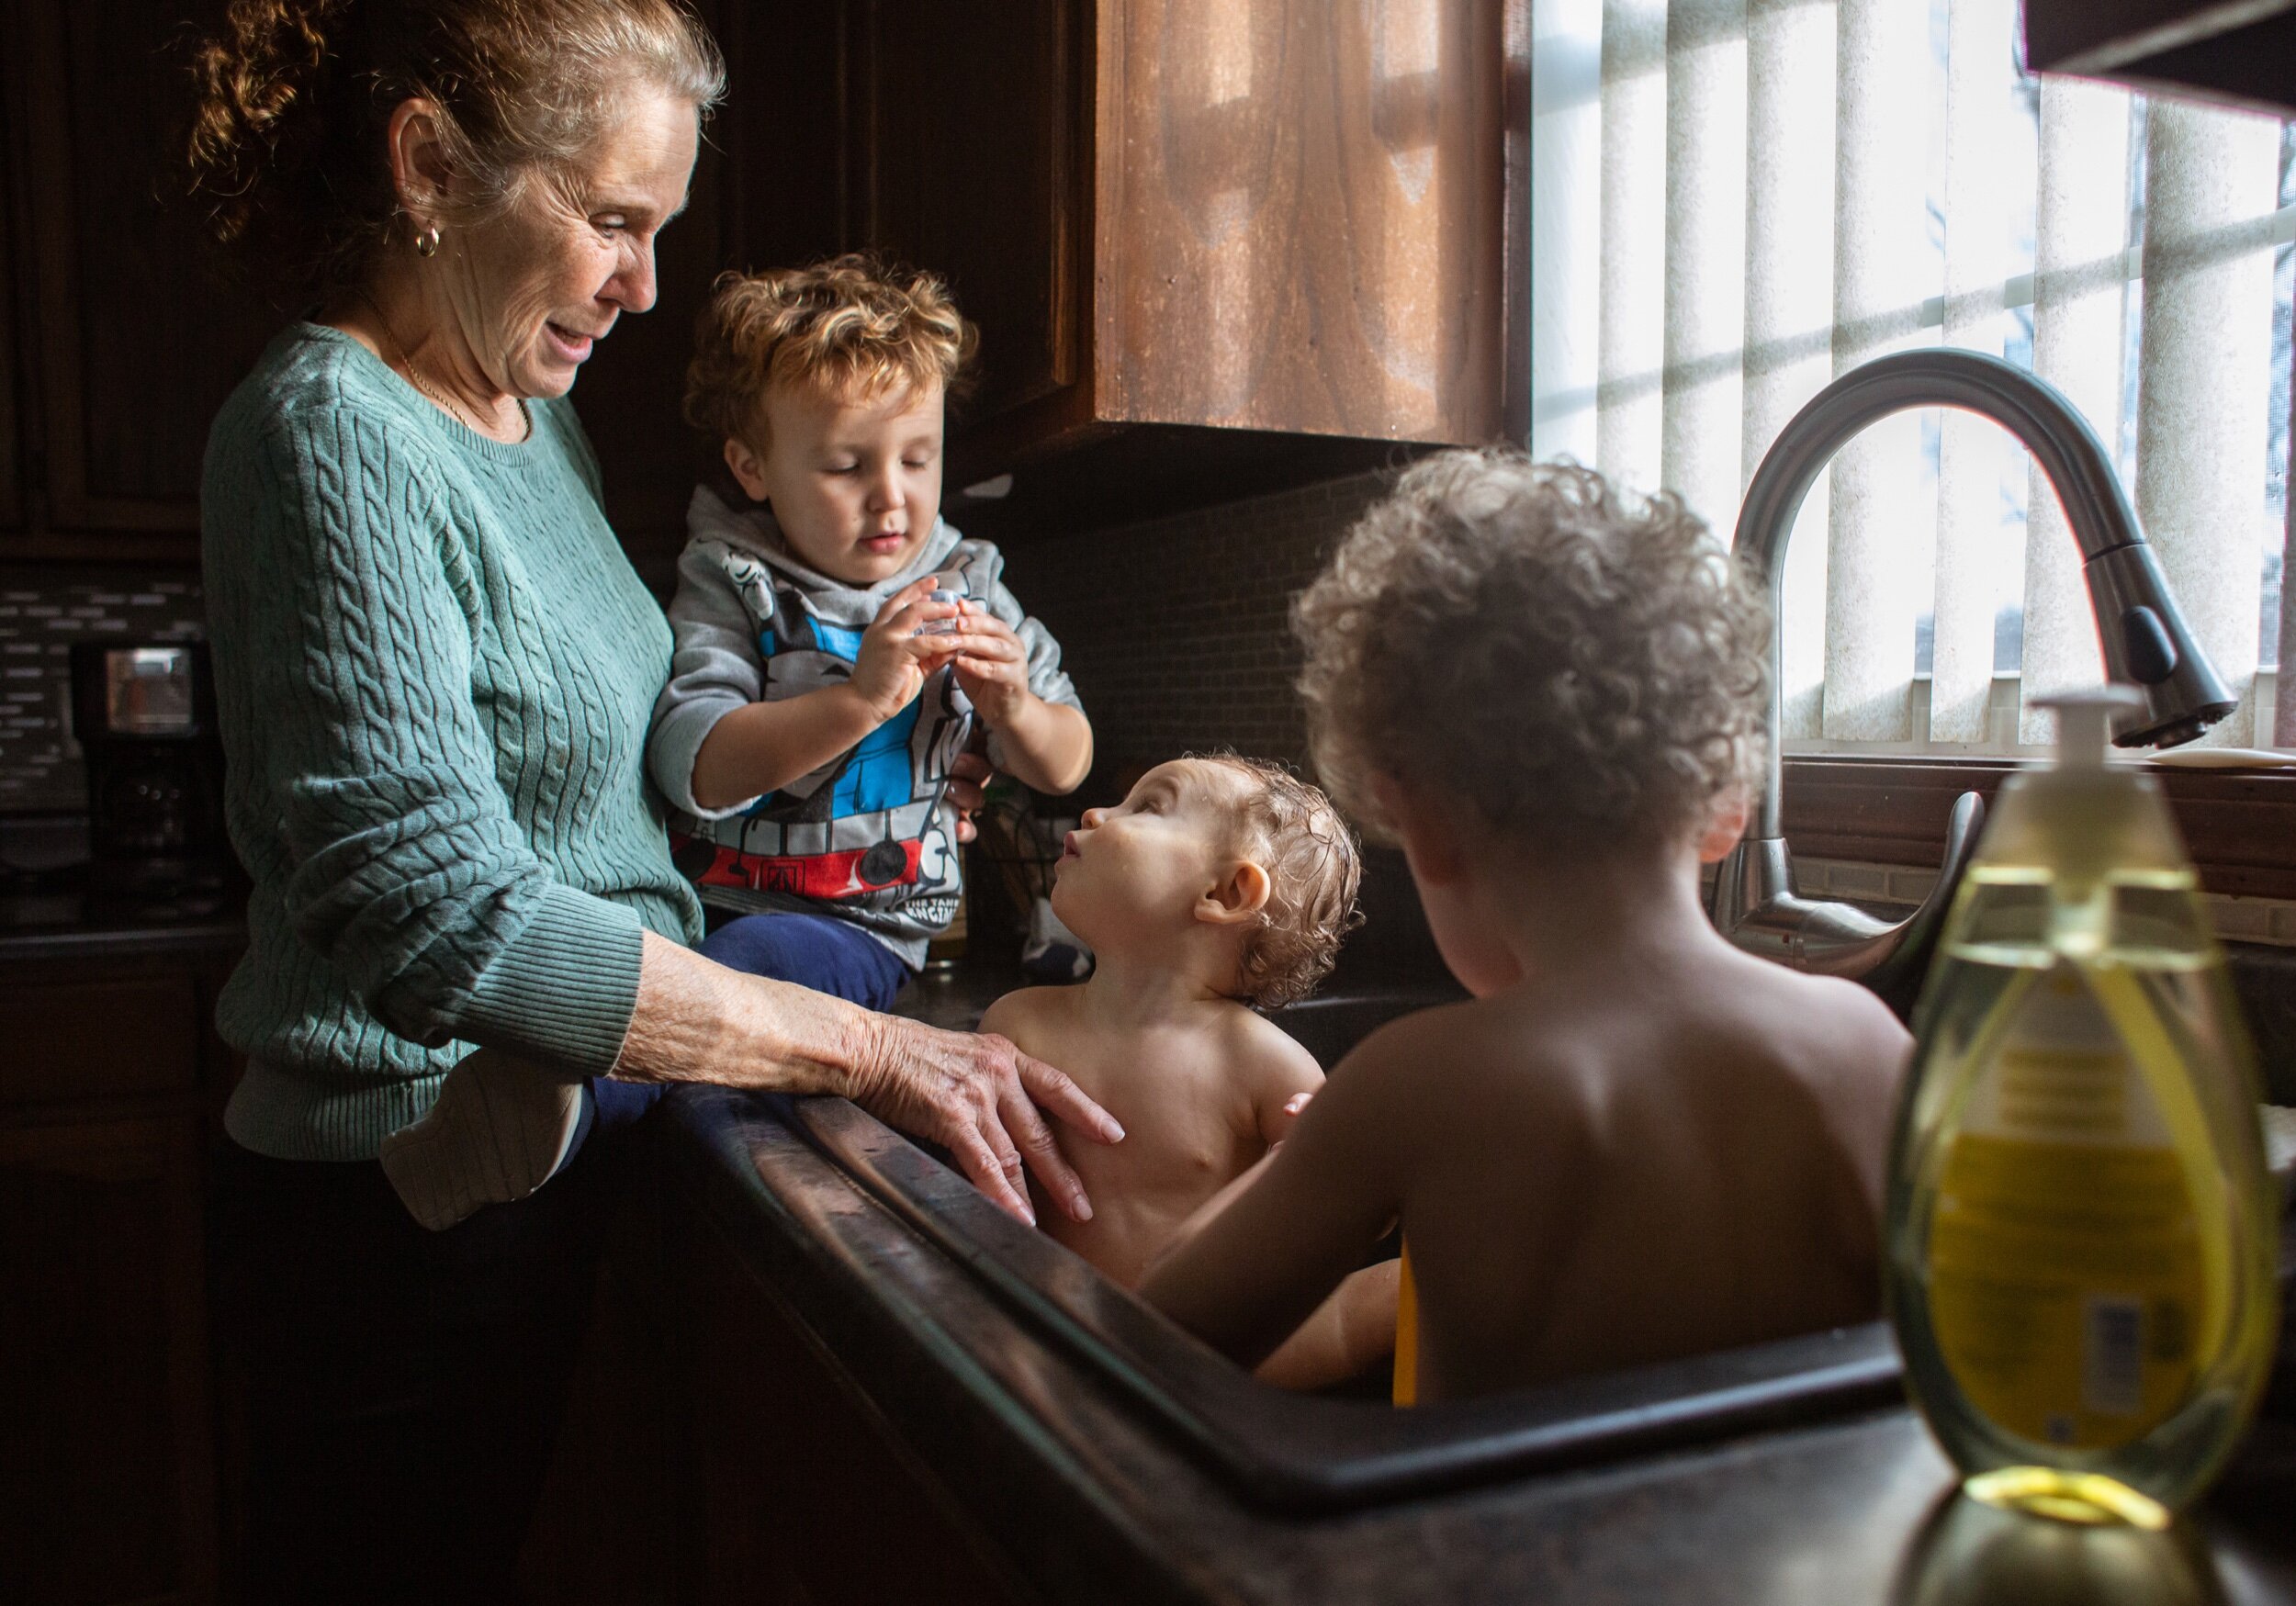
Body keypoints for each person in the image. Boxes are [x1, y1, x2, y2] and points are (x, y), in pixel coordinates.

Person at [183, 3, 1116, 1598]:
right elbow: (440, 917)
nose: (644, 283)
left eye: (659, 228)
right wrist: (875, 1039)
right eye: (614, 220)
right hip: (395, 1195)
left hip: (554, 1131)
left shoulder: (525, 422)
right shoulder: (331, 431)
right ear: (427, 164)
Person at [1140, 453, 1913, 1406]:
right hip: (1795, 1553)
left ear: (1422, 825)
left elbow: (1158, 1335)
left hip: (1511, 1559)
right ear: (1725, 806)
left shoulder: (1415, 1083)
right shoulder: (1865, 1048)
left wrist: (1300, 1160)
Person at [381, 256, 1095, 1227]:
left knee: (751, 964)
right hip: (697, 916)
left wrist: (1012, 706)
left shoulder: (971, 582)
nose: (891, 498)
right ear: (753, 466)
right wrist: (860, 698)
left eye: (917, 459)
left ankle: (549, 1117)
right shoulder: (734, 579)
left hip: (861, 932)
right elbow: (696, 762)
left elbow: (1065, 763)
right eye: (846, 465)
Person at [981, 755, 1397, 1388]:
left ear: (1225, 893)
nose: (1097, 812)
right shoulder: (1016, 1024)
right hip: (1060, 1332)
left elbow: (1344, 1218)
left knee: (1370, 1299)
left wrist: (1350, 1165)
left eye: (1147, 805)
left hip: (1221, 1356)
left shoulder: (1262, 1063)